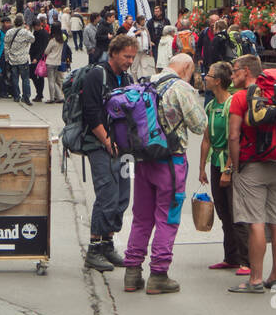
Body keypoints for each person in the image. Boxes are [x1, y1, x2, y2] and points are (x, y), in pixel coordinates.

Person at [122, 54, 207, 294]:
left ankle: (132, 272)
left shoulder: (144, 82)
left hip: (143, 161)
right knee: (167, 218)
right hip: (171, 162)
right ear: (187, 67)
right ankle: (158, 274)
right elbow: (200, 125)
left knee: (141, 217)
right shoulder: (181, 88)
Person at [226, 55, 276, 293]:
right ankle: (275, 276)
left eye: (235, 70)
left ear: (246, 71)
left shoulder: (240, 97)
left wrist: (236, 167)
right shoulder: (275, 95)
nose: (232, 75)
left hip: (251, 165)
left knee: (255, 222)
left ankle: (255, 279)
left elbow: (233, 136)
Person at [80, 33, 138, 271]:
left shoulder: (125, 76)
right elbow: (91, 112)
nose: (130, 61)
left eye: (133, 57)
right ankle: (94, 249)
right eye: (126, 56)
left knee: (122, 196)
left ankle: (107, 244)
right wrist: (106, 141)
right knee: (107, 194)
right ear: (113, 53)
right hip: (99, 144)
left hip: (123, 147)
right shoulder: (97, 74)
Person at [198, 61, 249, 274]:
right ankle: (231, 257)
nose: (205, 77)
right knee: (222, 212)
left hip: (230, 163)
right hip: (215, 163)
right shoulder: (210, 106)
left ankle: (246, 261)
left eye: (208, 75)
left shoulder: (230, 104)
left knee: (236, 212)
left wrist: (228, 170)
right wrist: (202, 168)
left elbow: (232, 139)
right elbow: (207, 139)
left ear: (218, 81)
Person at [4, 14, 35, 105]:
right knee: (25, 79)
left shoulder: (9, 32)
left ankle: (16, 96)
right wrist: (28, 30)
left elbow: (6, 46)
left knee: (14, 78)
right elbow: (32, 39)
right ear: (23, 23)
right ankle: (26, 97)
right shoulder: (25, 32)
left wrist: (7, 58)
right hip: (23, 59)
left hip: (12, 59)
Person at [43, 25, 65, 103]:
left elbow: (46, 51)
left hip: (50, 61)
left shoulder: (53, 40)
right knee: (54, 81)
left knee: (51, 81)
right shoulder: (61, 40)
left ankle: (52, 98)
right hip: (57, 62)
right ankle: (60, 96)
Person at [30, 19, 50, 101]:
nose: (35, 29)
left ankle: (39, 94)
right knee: (33, 75)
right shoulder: (35, 32)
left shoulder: (44, 34)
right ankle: (39, 93)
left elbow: (43, 48)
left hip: (39, 58)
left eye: (35, 27)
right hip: (33, 56)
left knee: (39, 76)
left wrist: (37, 58)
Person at [131, 16, 156, 81]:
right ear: (139, 21)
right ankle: (134, 80)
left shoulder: (145, 29)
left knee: (144, 65)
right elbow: (129, 36)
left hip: (144, 50)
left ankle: (144, 79)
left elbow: (146, 37)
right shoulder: (134, 28)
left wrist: (149, 42)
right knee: (135, 66)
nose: (144, 21)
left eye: (144, 20)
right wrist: (136, 33)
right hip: (136, 50)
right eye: (143, 20)